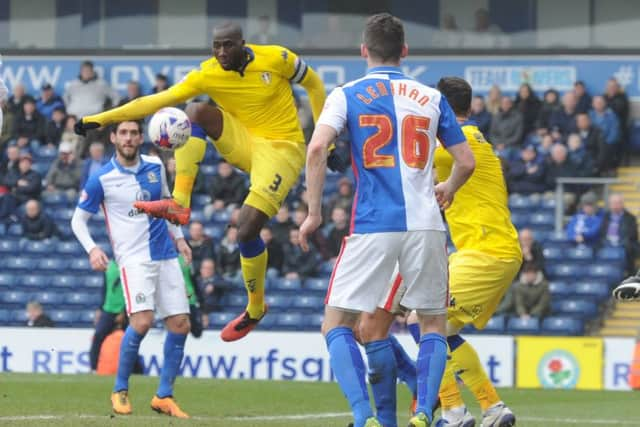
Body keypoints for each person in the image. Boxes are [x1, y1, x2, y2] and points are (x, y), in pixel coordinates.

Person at [75, 22, 328, 342]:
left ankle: (255, 307)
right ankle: (180, 202)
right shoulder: (208, 73)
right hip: (244, 141)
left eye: (228, 45)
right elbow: (156, 101)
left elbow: (316, 84)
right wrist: (102, 119)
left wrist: (325, 140)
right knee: (193, 111)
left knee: (247, 227)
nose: (221, 52)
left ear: (242, 44)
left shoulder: (277, 57)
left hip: (282, 150)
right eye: (216, 46)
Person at [299, 14, 475, 427]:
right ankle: (423, 415)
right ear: (405, 52)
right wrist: (448, 187)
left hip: (374, 223)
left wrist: (313, 213)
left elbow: (316, 150)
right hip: (427, 225)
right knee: (432, 323)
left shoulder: (346, 94)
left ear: (364, 51)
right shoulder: (432, 98)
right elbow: (465, 161)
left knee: (337, 323)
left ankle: (365, 418)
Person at [363, 76, 521, 427]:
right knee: (443, 330)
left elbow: (408, 158)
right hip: (490, 251)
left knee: (423, 320)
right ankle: (492, 408)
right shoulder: (469, 139)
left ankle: (452, 410)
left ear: (443, 108)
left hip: (486, 252)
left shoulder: (452, 145)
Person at [70, 120, 192, 418]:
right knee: (142, 322)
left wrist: (180, 239)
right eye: (122, 133)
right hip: (134, 259)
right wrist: (93, 249)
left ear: (141, 137)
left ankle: (164, 395)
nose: (128, 138)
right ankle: (120, 389)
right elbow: (77, 221)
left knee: (181, 325)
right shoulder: (102, 178)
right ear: (113, 138)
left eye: (133, 133)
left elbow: (168, 205)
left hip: (165, 255)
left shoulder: (155, 166)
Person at [599, 193, 638, 275]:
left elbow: (632, 236)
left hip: (623, 246)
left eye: (618, 203)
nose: (615, 205)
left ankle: (626, 275)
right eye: (613, 203)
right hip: (606, 244)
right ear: (610, 204)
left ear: (622, 204)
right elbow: (601, 234)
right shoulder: (605, 216)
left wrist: (619, 244)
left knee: (629, 249)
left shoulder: (630, 218)